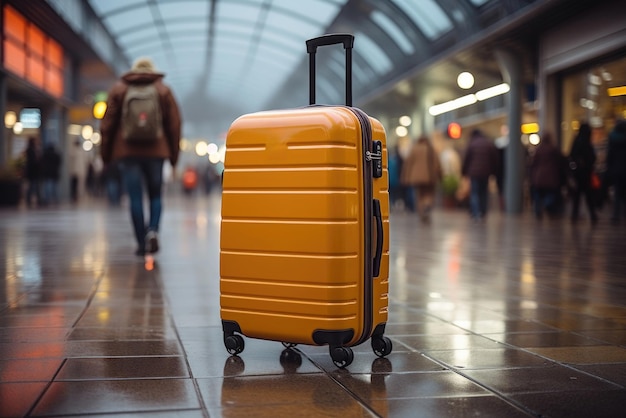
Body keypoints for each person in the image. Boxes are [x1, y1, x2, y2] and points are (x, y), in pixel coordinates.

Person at [101, 57, 181, 256]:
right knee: (155, 195)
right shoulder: (163, 90)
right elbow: (175, 125)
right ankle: (152, 230)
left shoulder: (119, 89)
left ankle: (140, 243)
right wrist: (173, 157)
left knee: (135, 197)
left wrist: (106, 156)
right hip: (157, 152)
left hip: (127, 153)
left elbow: (107, 125)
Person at [400, 135, 442, 223]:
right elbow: (437, 163)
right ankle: (427, 204)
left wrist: (405, 178)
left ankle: (422, 212)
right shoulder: (431, 149)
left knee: (419, 195)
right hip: (430, 176)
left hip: (416, 177)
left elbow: (408, 164)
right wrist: (440, 175)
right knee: (429, 193)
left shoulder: (414, 149)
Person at [461, 129, 499, 221]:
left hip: (474, 173)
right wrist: (494, 171)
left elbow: (467, 159)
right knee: (484, 193)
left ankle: (475, 212)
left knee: (474, 193)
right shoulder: (488, 143)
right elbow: (494, 159)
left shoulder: (472, 144)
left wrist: (464, 172)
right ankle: (483, 212)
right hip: (486, 172)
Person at [529, 133, 566, 219]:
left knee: (539, 195)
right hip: (551, 177)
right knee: (550, 194)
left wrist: (532, 176)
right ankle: (547, 205)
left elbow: (533, 164)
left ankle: (539, 211)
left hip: (539, 177)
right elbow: (561, 162)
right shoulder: (553, 149)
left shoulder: (539, 150)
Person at [568, 123, 597, 225]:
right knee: (587, 195)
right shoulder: (587, 142)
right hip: (585, 173)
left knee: (577, 196)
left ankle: (575, 215)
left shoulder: (577, 141)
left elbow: (571, 155)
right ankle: (592, 215)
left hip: (578, 173)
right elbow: (592, 157)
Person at [606, 119, 626, 224]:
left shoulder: (612, 138)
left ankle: (616, 214)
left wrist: (609, 168)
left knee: (617, 193)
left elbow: (610, 155)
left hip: (616, 169)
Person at [24, 137, 41, 207]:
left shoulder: (32, 150)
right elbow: (33, 161)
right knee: (32, 186)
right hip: (32, 172)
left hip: (33, 172)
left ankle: (31, 199)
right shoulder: (31, 150)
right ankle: (29, 199)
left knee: (33, 186)